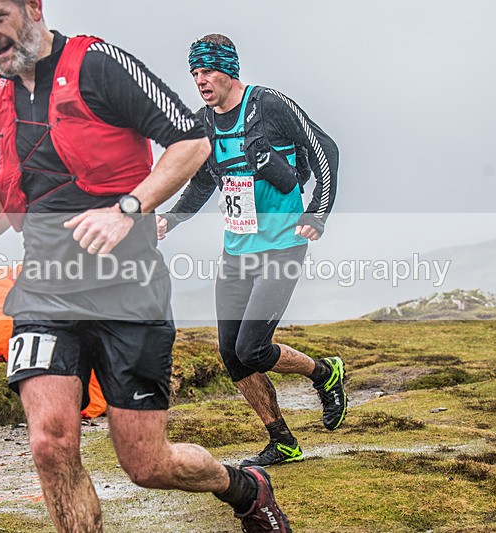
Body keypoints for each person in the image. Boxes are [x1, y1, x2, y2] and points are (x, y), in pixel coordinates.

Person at [0, 2, 291, 532]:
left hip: (129, 289)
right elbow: (7, 177)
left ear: (33, 7)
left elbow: (192, 143)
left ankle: (243, 487)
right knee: (49, 444)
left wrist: (129, 208)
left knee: (147, 465)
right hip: (46, 290)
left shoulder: (98, 64)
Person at [157, 34, 345, 468]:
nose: (201, 81)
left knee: (253, 348)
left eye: (207, 71)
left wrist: (317, 212)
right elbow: (205, 179)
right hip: (237, 251)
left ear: (230, 71)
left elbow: (325, 150)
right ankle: (282, 440)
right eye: (195, 74)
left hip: (282, 246)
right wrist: (173, 217)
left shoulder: (269, 105)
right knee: (230, 353)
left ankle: (324, 372)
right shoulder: (203, 122)